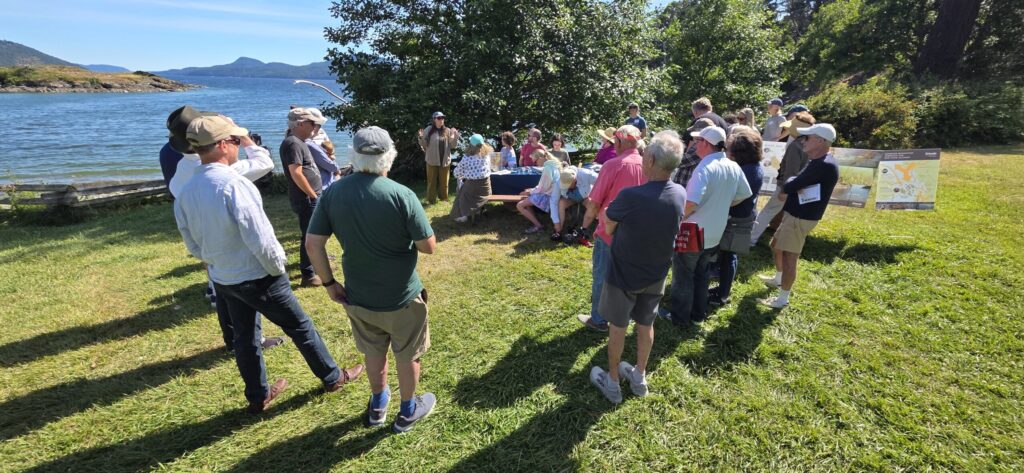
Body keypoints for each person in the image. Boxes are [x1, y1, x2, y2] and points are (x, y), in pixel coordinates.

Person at [174, 115, 364, 414]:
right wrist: (276, 269)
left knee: (245, 337)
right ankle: (332, 377)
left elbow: (191, 241)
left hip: (223, 277)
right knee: (299, 327)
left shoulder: (185, 190)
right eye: (235, 140)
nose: (238, 145)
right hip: (258, 274)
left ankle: (258, 396)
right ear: (222, 145)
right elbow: (260, 237)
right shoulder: (234, 185)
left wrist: (212, 263)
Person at [305, 126, 438, 433]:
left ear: (353, 154)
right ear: (389, 156)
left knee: (373, 351)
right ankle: (407, 412)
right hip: (403, 297)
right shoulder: (402, 195)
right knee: (408, 354)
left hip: (357, 295)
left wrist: (329, 283)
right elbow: (428, 247)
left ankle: (378, 405)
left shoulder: (333, 193)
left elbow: (313, 244)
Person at [165, 106, 281, 353]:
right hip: (233, 242)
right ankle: (252, 341)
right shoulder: (222, 169)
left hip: (206, 240)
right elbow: (265, 162)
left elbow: (176, 193)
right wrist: (242, 135)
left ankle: (232, 340)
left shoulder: (183, 170)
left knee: (222, 291)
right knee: (245, 295)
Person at [588, 133, 686, 404]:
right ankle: (640, 376)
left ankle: (612, 382)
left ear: (651, 160)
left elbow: (608, 223)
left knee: (618, 327)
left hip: (624, 274)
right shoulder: (680, 193)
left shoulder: (630, 196)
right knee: (645, 324)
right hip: (657, 272)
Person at [664, 126, 752, 326]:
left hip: (693, 231)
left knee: (683, 275)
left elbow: (691, 202)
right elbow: (743, 194)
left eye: (698, 140)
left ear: (706, 143)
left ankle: (679, 317)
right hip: (715, 231)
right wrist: (720, 204)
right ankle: (698, 315)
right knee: (702, 273)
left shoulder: (704, 167)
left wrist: (676, 220)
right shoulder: (732, 165)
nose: (694, 144)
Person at [574, 125, 647, 332]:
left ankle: (599, 319)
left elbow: (594, 203)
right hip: (637, 233)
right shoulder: (648, 165)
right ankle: (625, 314)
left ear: (620, 142)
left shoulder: (612, 165)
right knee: (628, 275)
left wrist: (585, 226)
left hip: (609, 232)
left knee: (603, 276)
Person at [760, 124, 840, 309]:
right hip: (794, 213)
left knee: (790, 258)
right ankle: (778, 279)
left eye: (807, 138)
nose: (803, 141)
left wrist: (792, 184)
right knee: (776, 245)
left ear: (819, 141)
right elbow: (793, 182)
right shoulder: (818, 161)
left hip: (801, 217)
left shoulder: (823, 165)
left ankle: (782, 299)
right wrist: (793, 183)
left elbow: (789, 185)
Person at [709, 126, 763, 306]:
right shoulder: (753, 166)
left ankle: (722, 295)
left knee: (728, 256)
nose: (727, 152)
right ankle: (722, 290)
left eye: (730, 149)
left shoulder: (746, 171)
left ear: (740, 152)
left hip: (737, 219)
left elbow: (734, 197)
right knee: (727, 256)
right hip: (742, 215)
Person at [750, 111, 816, 246]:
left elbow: (791, 171)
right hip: (797, 186)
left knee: (768, 211)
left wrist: (785, 190)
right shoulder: (807, 143)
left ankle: (751, 239)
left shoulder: (795, 146)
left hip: (787, 187)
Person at [280, 107, 326, 287]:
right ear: (300, 124)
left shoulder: (299, 142)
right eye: (311, 123)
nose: (314, 127)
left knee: (314, 233)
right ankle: (308, 275)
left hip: (311, 197)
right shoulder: (293, 143)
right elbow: (296, 172)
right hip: (307, 199)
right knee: (309, 235)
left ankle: (316, 266)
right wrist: (313, 195)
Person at [515, 151, 563, 235]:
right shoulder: (553, 165)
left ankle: (538, 226)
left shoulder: (548, 168)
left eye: (535, 161)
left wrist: (530, 191)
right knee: (526, 200)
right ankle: (536, 224)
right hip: (551, 194)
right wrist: (531, 190)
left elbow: (543, 188)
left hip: (548, 196)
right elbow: (543, 186)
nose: (535, 164)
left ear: (541, 158)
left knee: (519, 205)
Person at [418, 111, 460, 204]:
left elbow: (452, 145)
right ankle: (431, 200)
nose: (441, 120)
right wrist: (421, 137)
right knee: (431, 182)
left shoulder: (448, 130)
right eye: (439, 118)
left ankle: (444, 199)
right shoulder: (428, 130)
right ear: (434, 120)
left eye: (443, 118)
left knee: (444, 182)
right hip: (431, 160)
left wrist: (455, 137)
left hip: (445, 160)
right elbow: (424, 144)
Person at [451, 134, 493, 222]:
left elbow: (456, 173)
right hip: (485, 190)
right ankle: (475, 211)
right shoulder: (487, 156)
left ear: (471, 145)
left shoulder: (467, 158)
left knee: (461, 189)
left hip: (472, 190)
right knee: (465, 186)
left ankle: (463, 215)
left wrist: (464, 174)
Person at [671, 118, 713, 189]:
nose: (692, 135)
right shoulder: (700, 145)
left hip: (687, 187)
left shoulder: (700, 147)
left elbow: (678, 161)